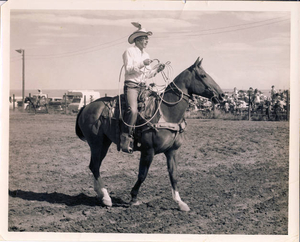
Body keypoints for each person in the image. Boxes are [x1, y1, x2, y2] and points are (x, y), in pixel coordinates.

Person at [120, 23, 165, 153]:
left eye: (147, 39)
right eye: (145, 39)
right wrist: (141, 64)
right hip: (132, 86)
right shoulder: (129, 51)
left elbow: (147, 75)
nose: (147, 41)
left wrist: (157, 70)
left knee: (154, 106)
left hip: (143, 87)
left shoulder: (146, 54)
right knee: (133, 110)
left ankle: (145, 136)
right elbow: (128, 69)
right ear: (138, 40)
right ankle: (126, 138)